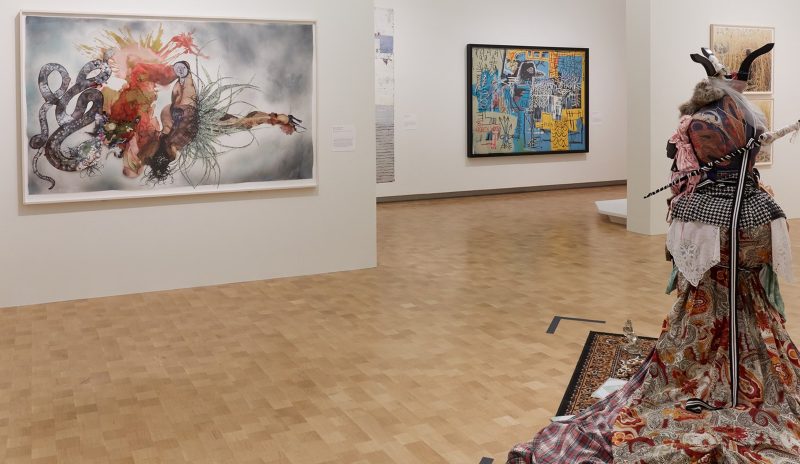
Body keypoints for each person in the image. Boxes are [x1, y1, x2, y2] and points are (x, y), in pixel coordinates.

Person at [507, 43, 800, 463]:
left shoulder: (700, 122)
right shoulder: (746, 119)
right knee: (732, 294)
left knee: (718, 292)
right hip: (755, 213)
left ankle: (712, 372)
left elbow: (683, 165)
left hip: (715, 217)